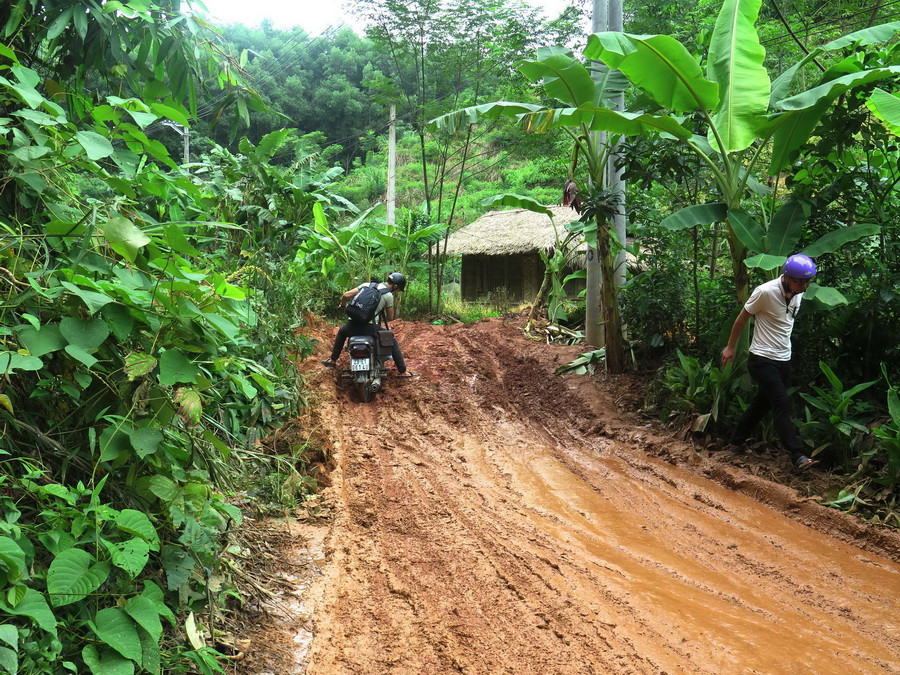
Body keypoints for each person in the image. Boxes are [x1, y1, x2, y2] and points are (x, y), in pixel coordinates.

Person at [721, 254, 818, 471]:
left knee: (762, 403)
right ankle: (798, 455)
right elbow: (742, 317)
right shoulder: (765, 292)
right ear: (786, 277)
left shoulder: (798, 293)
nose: (804, 286)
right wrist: (730, 347)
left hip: (783, 359)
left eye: (807, 282)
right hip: (762, 359)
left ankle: (736, 441)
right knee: (781, 404)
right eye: (800, 281)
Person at [322, 272, 413, 377]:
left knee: (342, 332)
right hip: (370, 329)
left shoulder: (366, 285)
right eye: (397, 290)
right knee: (392, 341)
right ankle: (403, 372)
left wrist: (343, 305)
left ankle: (332, 360)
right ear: (395, 286)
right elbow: (390, 318)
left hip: (352, 326)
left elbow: (345, 295)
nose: (396, 293)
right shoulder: (388, 295)